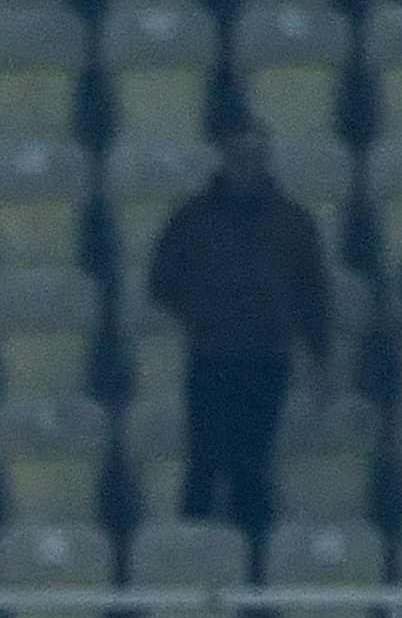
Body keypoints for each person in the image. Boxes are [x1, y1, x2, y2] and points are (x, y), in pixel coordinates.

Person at [142, 131, 335, 536]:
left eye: (254, 157)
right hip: (211, 355)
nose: (246, 166)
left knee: (253, 464)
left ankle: (253, 568)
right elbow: (162, 280)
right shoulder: (194, 218)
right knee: (204, 462)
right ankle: (193, 560)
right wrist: (200, 314)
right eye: (239, 157)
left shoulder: (291, 221)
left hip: (267, 359)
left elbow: (312, 291)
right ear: (225, 160)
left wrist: (319, 354)